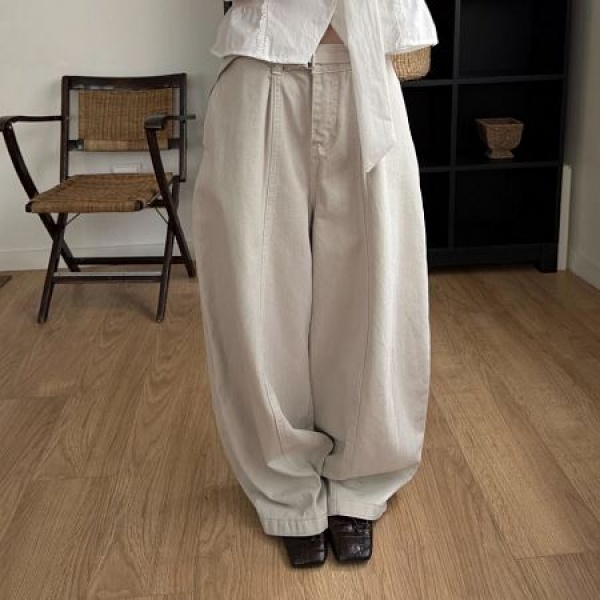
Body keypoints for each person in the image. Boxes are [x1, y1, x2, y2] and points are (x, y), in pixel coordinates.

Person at [192, 0, 438, 568]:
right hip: (262, 65)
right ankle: (286, 488)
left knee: (377, 293)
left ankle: (360, 480)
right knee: (257, 296)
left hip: (366, 70)